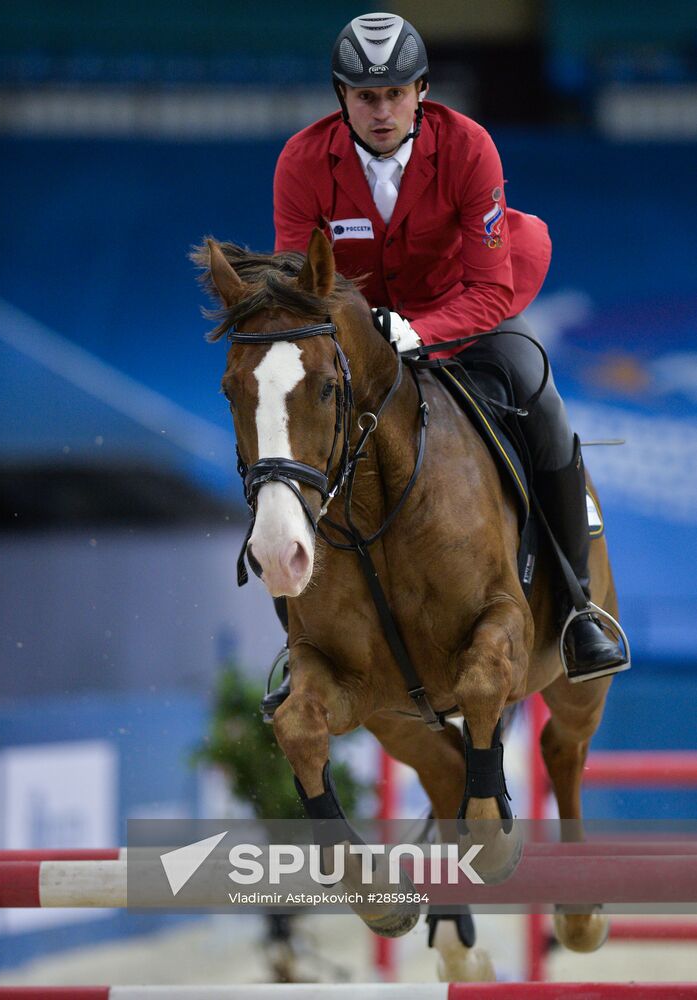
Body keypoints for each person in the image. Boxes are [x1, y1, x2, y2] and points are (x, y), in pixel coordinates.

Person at [261, 12, 628, 717]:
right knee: (281, 433)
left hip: (463, 310)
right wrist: (357, 337)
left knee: (540, 398)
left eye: (396, 93)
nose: (381, 110)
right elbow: (298, 288)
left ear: (422, 90)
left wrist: (418, 329)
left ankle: (580, 608)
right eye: (365, 97)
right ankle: (299, 635)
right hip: (354, 332)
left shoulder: (468, 147)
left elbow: (489, 288)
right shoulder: (302, 162)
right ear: (340, 96)